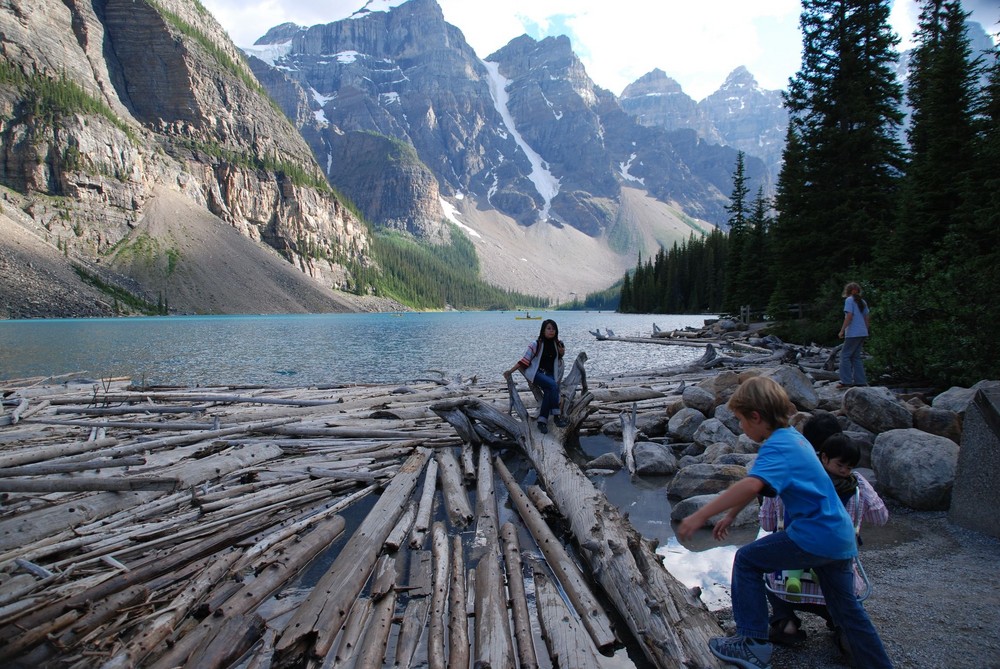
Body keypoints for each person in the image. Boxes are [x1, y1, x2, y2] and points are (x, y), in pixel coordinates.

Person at [677, 376, 892, 669]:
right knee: (848, 612)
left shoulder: (777, 446)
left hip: (815, 535)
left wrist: (700, 514)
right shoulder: (793, 437)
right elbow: (762, 485)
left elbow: (751, 484)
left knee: (747, 560)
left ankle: (751, 643)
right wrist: (730, 515)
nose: (740, 427)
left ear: (756, 416)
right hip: (840, 537)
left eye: (740, 420)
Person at [763, 429, 889, 652]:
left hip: (787, 580)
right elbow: (881, 517)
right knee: (845, 584)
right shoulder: (858, 485)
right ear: (825, 458)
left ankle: (786, 622)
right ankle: (843, 629)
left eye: (848, 467)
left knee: (760, 560)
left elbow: (766, 523)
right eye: (843, 465)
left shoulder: (792, 479)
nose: (844, 471)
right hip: (837, 579)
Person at [503, 319, 567, 434]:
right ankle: (557, 416)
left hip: (551, 374)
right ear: (543, 330)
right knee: (553, 386)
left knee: (549, 391)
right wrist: (510, 371)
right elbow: (524, 361)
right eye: (548, 328)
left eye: (553, 329)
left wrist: (562, 352)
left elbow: (559, 358)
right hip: (537, 374)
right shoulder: (535, 344)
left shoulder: (557, 343)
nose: (551, 331)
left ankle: (542, 422)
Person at [838, 282, 870, 388]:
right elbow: (866, 317)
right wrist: (866, 330)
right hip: (862, 332)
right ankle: (860, 381)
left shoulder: (849, 300)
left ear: (848, 291)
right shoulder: (863, 302)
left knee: (844, 356)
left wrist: (842, 330)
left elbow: (849, 316)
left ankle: (846, 381)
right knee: (856, 357)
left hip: (853, 332)